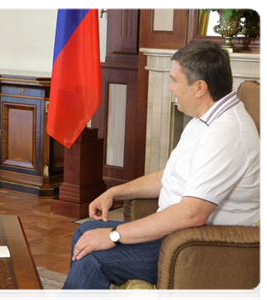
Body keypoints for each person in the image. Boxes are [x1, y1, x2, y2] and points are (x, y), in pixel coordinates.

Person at [57, 41, 263, 300]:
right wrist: (116, 191)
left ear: (200, 87)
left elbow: (192, 214)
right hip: (178, 232)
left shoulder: (226, 133)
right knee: (84, 232)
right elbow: (172, 175)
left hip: (199, 244)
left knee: (95, 256)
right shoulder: (207, 117)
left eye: (175, 80)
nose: (171, 87)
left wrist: (114, 235)